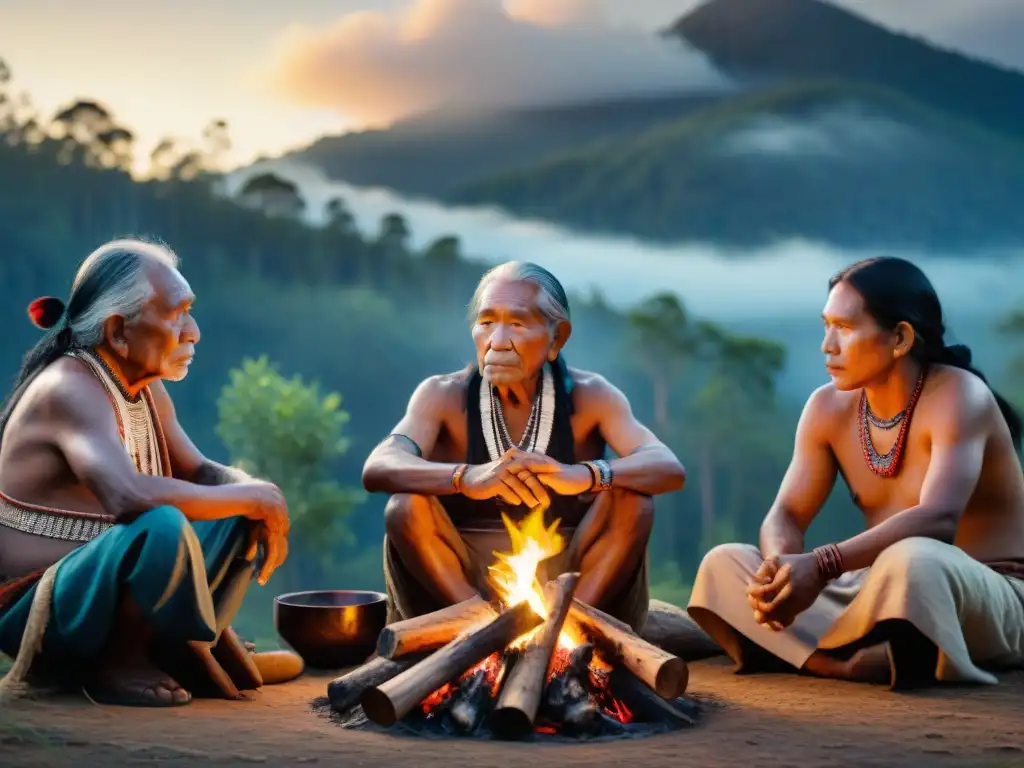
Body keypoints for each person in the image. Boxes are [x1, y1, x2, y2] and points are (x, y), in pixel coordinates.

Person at [688, 256, 1024, 688]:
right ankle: (842, 663)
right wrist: (780, 572)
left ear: (900, 337)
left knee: (915, 559)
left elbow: (938, 518)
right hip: (875, 586)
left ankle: (844, 650)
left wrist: (821, 564)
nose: (828, 344)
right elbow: (787, 514)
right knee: (725, 564)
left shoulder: (961, 396)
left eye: (844, 328)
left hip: (983, 595)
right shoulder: (827, 408)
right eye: (826, 325)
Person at [0, 238, 297, 707]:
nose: (193, 331)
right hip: (36, 609)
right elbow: (127, 495)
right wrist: (254, 496)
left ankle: (182, 643)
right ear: (118, 332)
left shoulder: (144, 388)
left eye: (190, 311)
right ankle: (119, 660)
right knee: (160, 522)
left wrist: (258, 494)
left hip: (100, 591)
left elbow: (199, 471)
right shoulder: (69, 388)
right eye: (176, 314)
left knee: (242, 506)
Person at [362, 261, 686, 631]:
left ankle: (567, 632)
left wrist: (585, 475)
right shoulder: (442, 395)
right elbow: (379, 466)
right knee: (406, 505)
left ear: (557, 338)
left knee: (632, 499)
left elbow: (666, 466)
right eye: (486, 323)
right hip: (457, 580)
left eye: (516, 324)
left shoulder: (591, 396)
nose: (497, 341)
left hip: (572, 581)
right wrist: (465, 478)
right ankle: (480, 631)